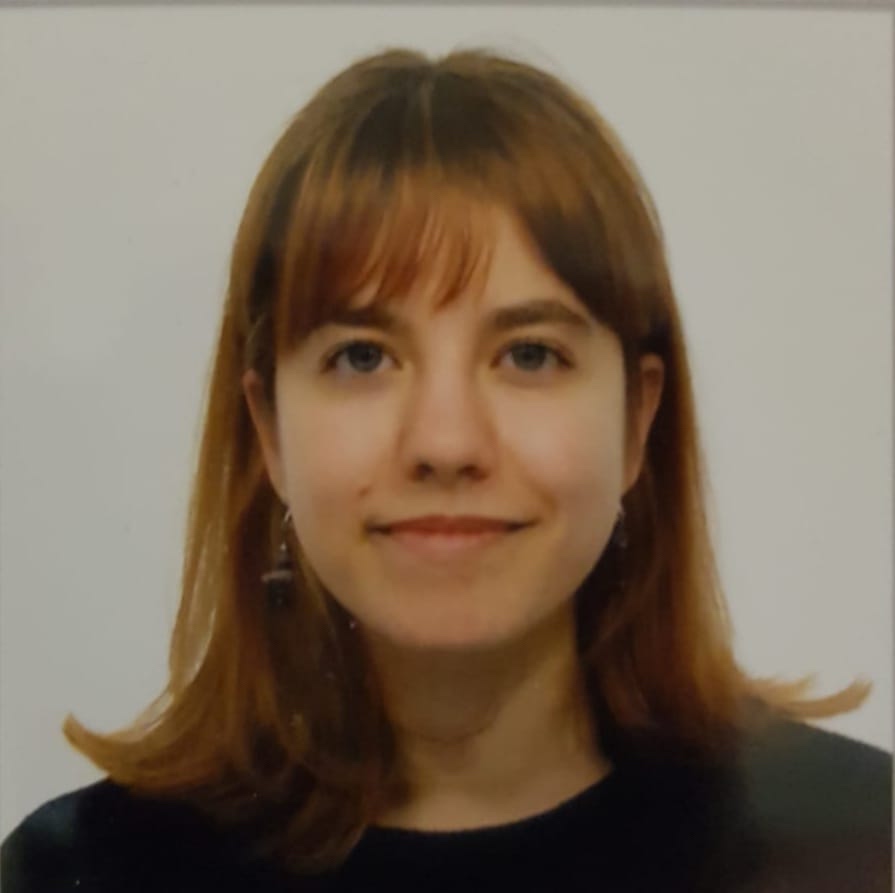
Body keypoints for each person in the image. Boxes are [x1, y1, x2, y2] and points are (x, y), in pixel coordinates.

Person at [2, 46, 890, 893]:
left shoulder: (859, 847)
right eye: (361, 356)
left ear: (636, 419)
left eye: (529, 354)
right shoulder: (75, 872)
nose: (446, 441)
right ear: (269, 428)